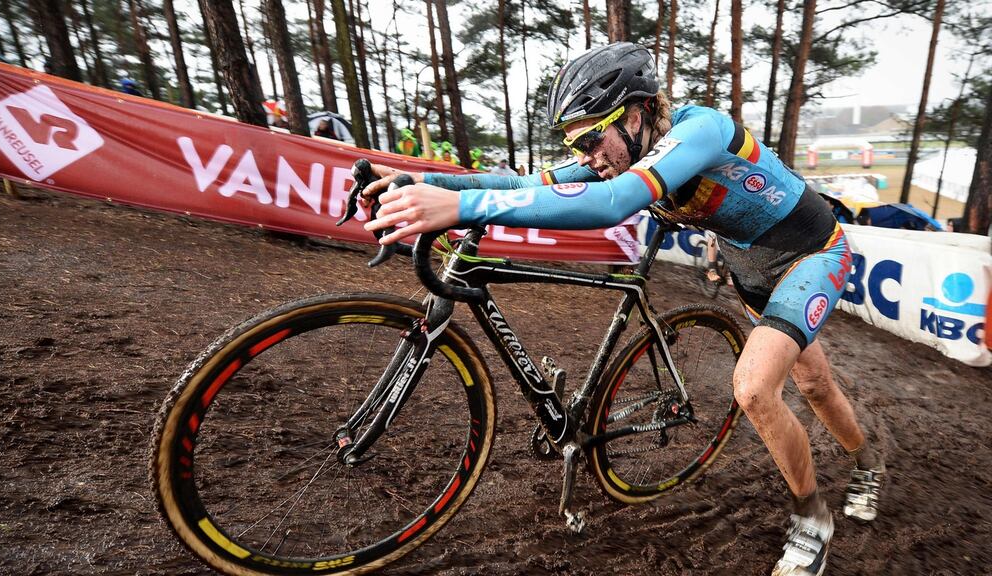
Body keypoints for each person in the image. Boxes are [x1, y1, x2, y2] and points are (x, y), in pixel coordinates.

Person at [360, 42, 884, 576]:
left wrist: (459, 206)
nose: (586, 155)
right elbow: (525, 183)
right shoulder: (622, 151)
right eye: (576, 143)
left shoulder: (702, 129)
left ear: (635, 115)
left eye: (591, 138)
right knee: (814, 381)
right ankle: (867, 459)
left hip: (812, 253)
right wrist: (421, 183)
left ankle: (815, 516)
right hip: (750, 268)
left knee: (753, 388)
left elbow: (613, 205)